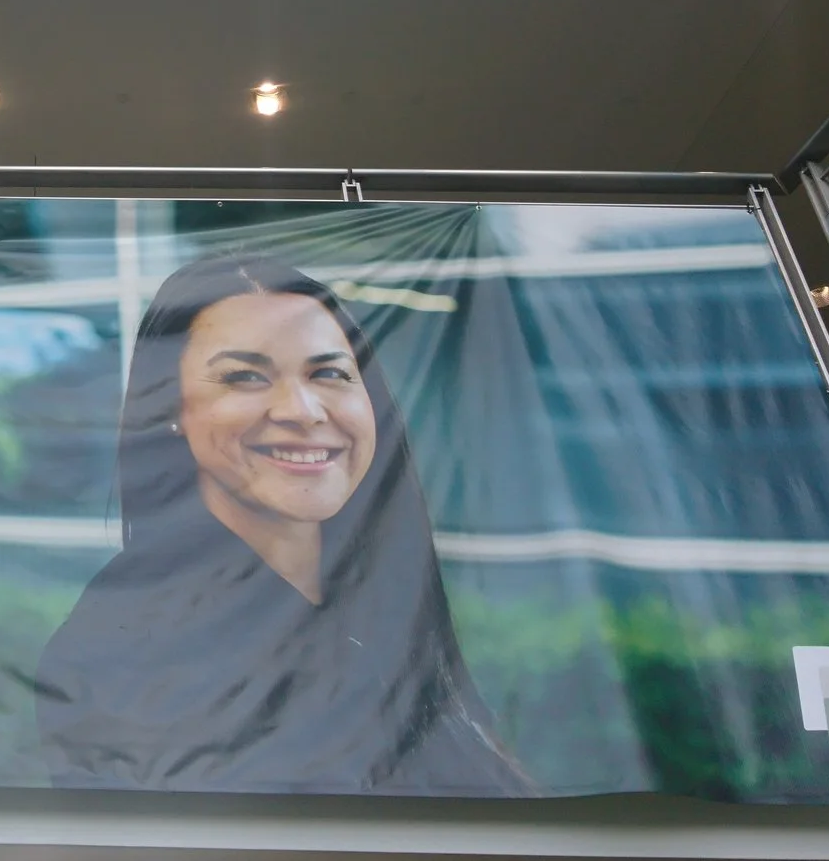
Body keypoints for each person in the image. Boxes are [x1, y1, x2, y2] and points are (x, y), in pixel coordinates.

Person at [33, 253, 528, 795]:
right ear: (170, 411)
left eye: (329, 373)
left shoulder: (375, 600)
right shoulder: (135, 649)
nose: (303, 410)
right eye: (245, 377)